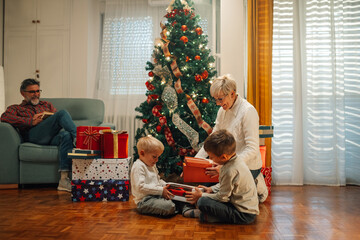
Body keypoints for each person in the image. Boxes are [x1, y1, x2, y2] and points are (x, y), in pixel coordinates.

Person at [195, 74, 268, 202]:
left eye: (220, 99)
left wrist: (226, 167)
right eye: (215, 99)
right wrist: (196, 161)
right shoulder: (222, 110)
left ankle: (256, 185)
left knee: (223, 197)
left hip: (247, 166)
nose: (218, 103)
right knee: (202, 188)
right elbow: (213, 138)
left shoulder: (248, 111)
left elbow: (252, 149)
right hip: (226, 163)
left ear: (232, 94)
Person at [0, 78, 76, 192]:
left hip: (50, 136)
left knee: (66, 135)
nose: (36, 94)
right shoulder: (16, 108)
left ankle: (64, 180)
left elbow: (57, 121)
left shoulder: (47, 105)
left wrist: (47, 118)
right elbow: (4, 117)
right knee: (62, 113)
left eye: (37, 91)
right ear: (23, 93)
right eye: (32, 92)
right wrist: (31, 121)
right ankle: (80, 139)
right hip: (33, 136)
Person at [185, 130, 259, 224]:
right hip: (241, 206)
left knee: (202, 201)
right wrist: (210, 189)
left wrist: (201, 195)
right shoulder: (236, 160)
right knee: (207, 198)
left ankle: (207, 216)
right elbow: (227, 185)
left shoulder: (230, 170)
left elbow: (223, 198)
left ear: (224, 157)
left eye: (211, 157)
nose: (210, 160)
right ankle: (210, 215)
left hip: (243, 214)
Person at [130, 135, 177, 217]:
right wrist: (161, 190)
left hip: (156, 196)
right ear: (142, 153)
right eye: (154, 157)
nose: (157, 160)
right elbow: (140, 187)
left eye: (158, 157)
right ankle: (176, 208)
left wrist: (166, 186)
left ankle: (183, 208)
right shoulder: (138, 166)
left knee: (176, 198)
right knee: (169, 206)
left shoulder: (151, 165)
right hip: (144, 201)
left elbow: (157, 180)